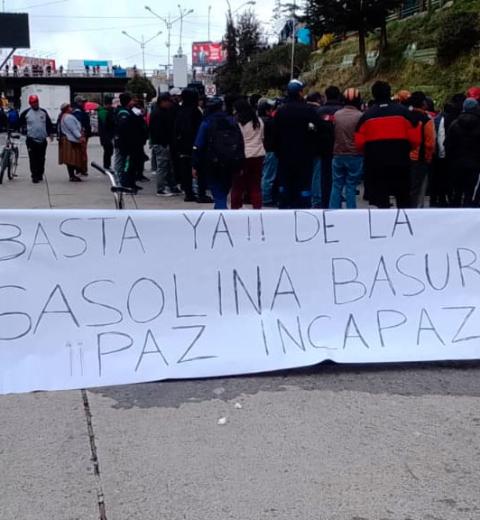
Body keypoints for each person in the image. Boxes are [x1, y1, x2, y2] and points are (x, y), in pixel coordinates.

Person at [355, 81, 419, 209]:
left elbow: (359, 144)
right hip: (400, 162)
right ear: (390, 93)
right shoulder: (404, 113)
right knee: (403, 197)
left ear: (373, 95)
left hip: (376, 164)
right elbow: (415, 139)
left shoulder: (366, 116)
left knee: (381, 200)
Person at [273, 80, 324, 209]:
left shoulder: (281, 111)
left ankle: (285, 205)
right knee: (303, 185)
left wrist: (277, 151)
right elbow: (319, 129)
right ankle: (303, 208)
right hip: (304, 155)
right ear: (300, 93)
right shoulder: (308, 110)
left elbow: (274, 133)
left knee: (286, 184)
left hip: (284, 155)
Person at [192, 97, 245, 210]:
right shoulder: (231, 121)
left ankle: (221, 213)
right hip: (231, 162)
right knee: (223, 191)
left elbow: (198, 145)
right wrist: (240, 163)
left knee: (218, 193)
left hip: (212, 163)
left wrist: (195, 165)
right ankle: (220, 210)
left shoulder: (206, 123)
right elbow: (240, 143)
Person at [329, 88, 364, 209]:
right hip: (355, 155)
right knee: (351, 185)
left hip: (338, 154)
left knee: (336, 185)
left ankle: (333, 210)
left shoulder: (337, 115)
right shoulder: (360, 116)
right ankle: (351, 212)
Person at [173, 88, 209, 202]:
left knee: (185, 170)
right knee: (200, 169)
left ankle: (189, 193)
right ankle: (201, 194)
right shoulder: (195, 111)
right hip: (195, 144)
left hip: (182, 146)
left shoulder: (180, 110)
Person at [431, 93, 465, 207]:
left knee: (444, 178)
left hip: (448, 154)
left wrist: (442, 154)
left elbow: (441, 136)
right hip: (462, 155)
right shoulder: (462, 116)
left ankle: (444, 199)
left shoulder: (445, 118)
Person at [231, 98, 265, 210]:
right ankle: (257, 208)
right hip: (258, 155)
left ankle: (236, 209)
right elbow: (262, 137)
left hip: (242, 156)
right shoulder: (258, 121)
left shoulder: (237, 122)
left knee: (237, 186)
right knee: (255, 185)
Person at [446, 98, 480, 207]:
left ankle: (455, 210)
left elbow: (447, 144)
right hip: (475, 164)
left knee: (457, 190)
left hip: (456, 163)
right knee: (471, 191)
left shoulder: (454, 124)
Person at [315, 85, 344, 208]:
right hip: (341, 148)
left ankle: (325, 202)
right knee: (339, 179)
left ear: (326, 96)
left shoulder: (319, 112)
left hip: (323, 149)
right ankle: (337, 202)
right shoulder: (343, 111)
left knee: (325, 177)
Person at [407, 91, 436, 208]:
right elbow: (430, 143)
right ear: (423, 103)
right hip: (420, 158)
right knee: (418, 188)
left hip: (405, 156)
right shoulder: (426, 119)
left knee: (407, 186)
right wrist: (428, 158)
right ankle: (415, 210)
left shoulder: (405, 116)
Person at [19, 95, 54, 183]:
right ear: (30, 104)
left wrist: (51, 133)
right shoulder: (26, 113)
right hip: (31, 140)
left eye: (36, 102)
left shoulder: (43, 112)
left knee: (41, 158)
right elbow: (19, 123)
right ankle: (34, 176)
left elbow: (49, 124)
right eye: (33, 103)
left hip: (42, 140)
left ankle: (40, 173)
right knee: (33, 158)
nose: (35, 104)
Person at [150, 92, 176, 196]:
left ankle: (172, 186)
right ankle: (161, 189)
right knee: (162, 166)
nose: (170, 104)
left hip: (165, 143)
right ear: (163, 102)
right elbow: (158, 131)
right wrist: (164, 143)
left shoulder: (164, 111)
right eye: (168, 101)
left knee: (168, 166)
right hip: (161, 144)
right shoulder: (157, 113)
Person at [258, 98, 278, 207]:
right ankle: (266, 198)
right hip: (270, 151)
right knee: (268, 176)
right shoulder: (271, 122)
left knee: (262, 175)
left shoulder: (257, 121)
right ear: (267, 110)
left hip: (259, 151)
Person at [58, 103, 84, 182]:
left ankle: (72, 175)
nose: (71, 108)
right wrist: (80, 137)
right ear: (66, 108)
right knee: (71, 158)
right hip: (70, 140)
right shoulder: (68, 117)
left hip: (68, 139)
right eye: (69, 107)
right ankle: (72, 175)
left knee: (70, 159)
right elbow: (73, 129)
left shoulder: (64, 116)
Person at [114, 92, 135, 188]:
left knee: (122, 162)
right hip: (122, 143)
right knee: (120, 162)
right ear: (128, 101)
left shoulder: (125, 111)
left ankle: (123, 181)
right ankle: (119, 182)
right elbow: (123, 129)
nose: (133, 102)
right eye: (132, 100)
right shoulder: (123, 113)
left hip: (123, 142)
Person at [72, 96, 91, 175]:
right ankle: (81, 169)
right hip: (82, 134)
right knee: (82, 152)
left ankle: (81, 168)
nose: (83, 103)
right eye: (82, 102)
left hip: (83, 134)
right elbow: (79, 123)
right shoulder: (78, 111)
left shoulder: (81, 110)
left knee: (81, 152)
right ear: (78, 102)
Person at [97, 95, 115, 169]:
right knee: (108, 150)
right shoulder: (103, 112)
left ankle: (107, 165)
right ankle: (106, 165)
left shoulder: (105, 111)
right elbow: (107, 123)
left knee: (109, 150)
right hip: (105, 135)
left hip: (107, 134)